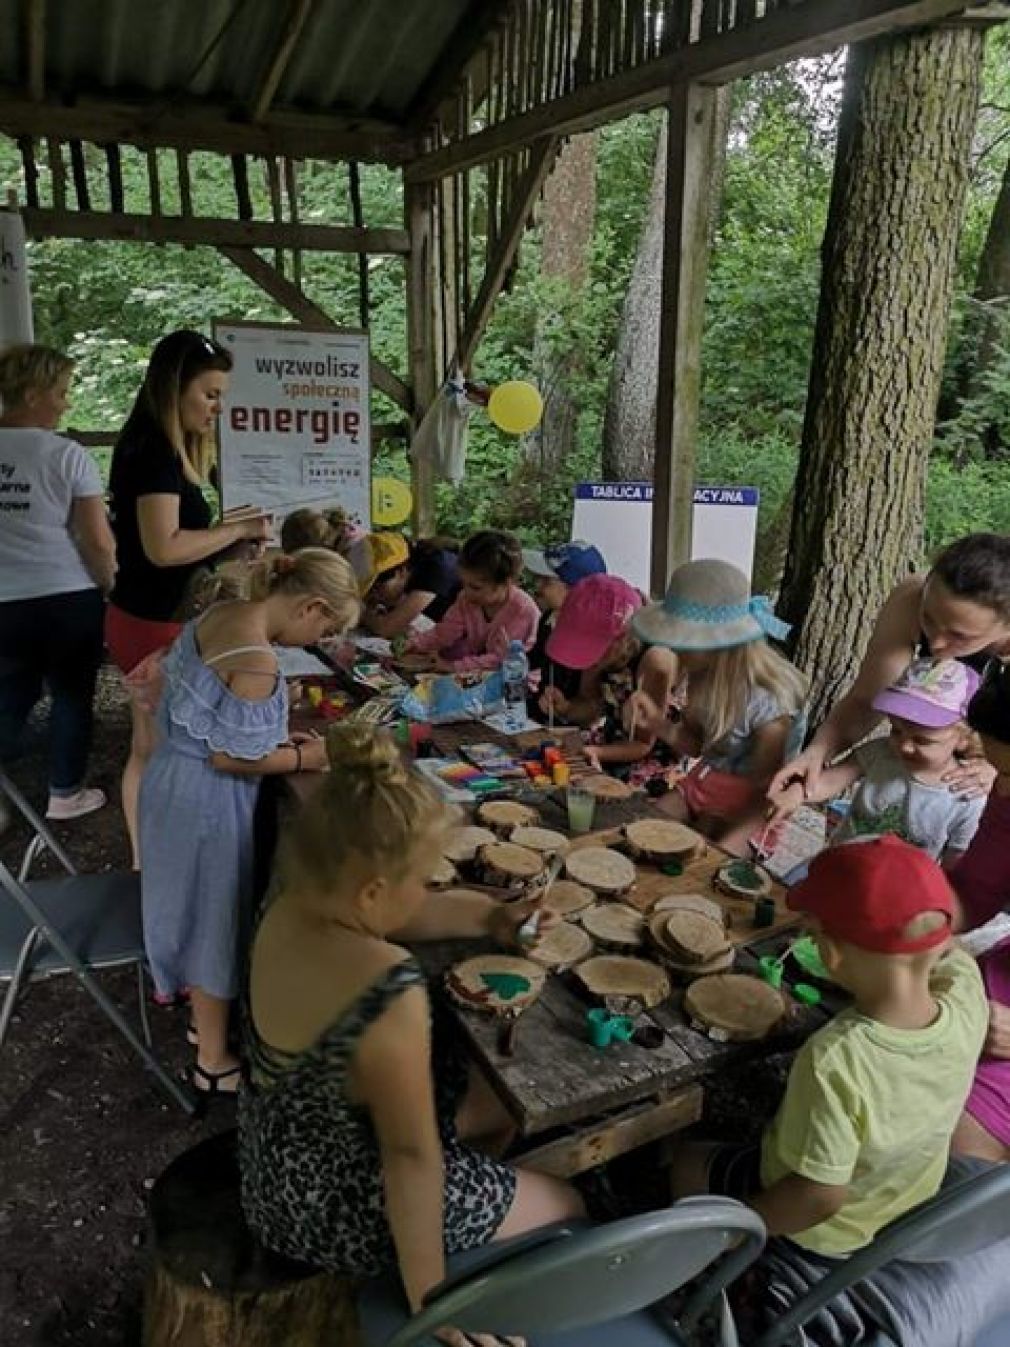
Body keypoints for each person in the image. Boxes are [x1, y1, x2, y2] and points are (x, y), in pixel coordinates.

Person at [239, 723, 583, 1340]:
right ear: (373, 890)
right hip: (328, 1205)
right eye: (422, 877)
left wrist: (498, 917)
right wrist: (432, 1300)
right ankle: (453, 1272)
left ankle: (465, 1208)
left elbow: (410, 912)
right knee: (568, 1204)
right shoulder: (383, 983)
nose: (428, 890)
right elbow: (409, 1159)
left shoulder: (299, 892)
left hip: (278, 1153)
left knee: (496, 1102)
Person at [670, 837, 988, 1267]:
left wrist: (741, 1227)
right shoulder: (967, 990)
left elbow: (818, 1197)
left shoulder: (838, 1056)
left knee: (685, 1160)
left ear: (830, 954)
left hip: (823, 1235)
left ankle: (709, 1261)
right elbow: (949, 953)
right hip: (902, 1197)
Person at [139, 548, 360, 1096]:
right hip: (207, 800)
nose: (316, 639)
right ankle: (213, 1062)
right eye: (325, 626)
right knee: (215, 918)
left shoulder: (222, 613)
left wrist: (275, 742)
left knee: (191, 907)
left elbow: (215, 720)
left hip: (170, 779)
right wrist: (308, 759)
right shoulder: (259, 659)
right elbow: (229, 757)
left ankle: (201, 1020)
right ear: (310, 605)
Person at [106, 330, 271, 865]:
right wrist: (234, 528)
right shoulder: (152, 450)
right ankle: (148, 861)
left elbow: (188, 554)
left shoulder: (165, 451)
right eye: (210, 394)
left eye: (222, 395)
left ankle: (150, 859)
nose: (218, 407)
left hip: (157, 613)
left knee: (155, 745)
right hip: (149, 619)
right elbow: (163, 548)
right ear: (174, 388)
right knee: (155, 749)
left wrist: (234, 548)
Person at [770, 533, 1010, 805]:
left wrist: (998, 766)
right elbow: (865, 701)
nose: (937, 642)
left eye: (959, 636)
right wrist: (816, 754)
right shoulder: (911, 597)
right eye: (928, 620)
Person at [0, 344, 117, 820]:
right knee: (72, 696)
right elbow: (96, 540)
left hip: (4, 602)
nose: (66, 404)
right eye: (61, 393)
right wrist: (110, 585)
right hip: (67, 596)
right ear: (32, 394)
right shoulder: (66, 455)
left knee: (10, 695)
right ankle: (65, 792)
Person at [625, 560, 807, 852]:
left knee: (709, 870)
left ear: (721, 642)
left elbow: (765, 794)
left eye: (682, 639)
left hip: (751, 808)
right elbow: (696, 745)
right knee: (641, 835)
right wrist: (657, 724)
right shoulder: (701, 674)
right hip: (703, 785)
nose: (673, 648)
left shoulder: (770, 703)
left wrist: (722, 848)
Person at [768, 658, 984, 866]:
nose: (904, 746)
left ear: (963, 739)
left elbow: (954, 865)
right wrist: (796, 793)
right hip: (838, 867)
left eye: (922, 741)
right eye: (896, 731)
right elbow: (830, 781)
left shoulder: (967, 797)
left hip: (899, 898)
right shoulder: (882, 751)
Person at [948, 662, 1010, 1163]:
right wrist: (913, 922)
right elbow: (973, 892)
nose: (1001, 792)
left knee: (956, 1155)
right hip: (999, 985)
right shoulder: (1005, 797)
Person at [404, 530, 538, 673]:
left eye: (475, 587)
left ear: (506, 583)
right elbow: (445, 631)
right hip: (478, 673)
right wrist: (415, 644)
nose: (466, 592)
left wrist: (452, 667)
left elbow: (499, 659)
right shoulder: (466, 600)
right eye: (463, 583)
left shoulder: (523, 611)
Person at [522, 540, 607, 713]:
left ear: (575, 591)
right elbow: (538, 656)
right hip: (544, 707)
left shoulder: (596, 637)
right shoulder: (549, 619)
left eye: (546, 582)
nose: (538, 586)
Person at [361, 532, 461, 635]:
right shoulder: (413, 569)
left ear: (401, 571)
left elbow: (386, 628)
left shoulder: (436, 568)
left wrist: (363, 614)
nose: (375, 594)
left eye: (377, 587)